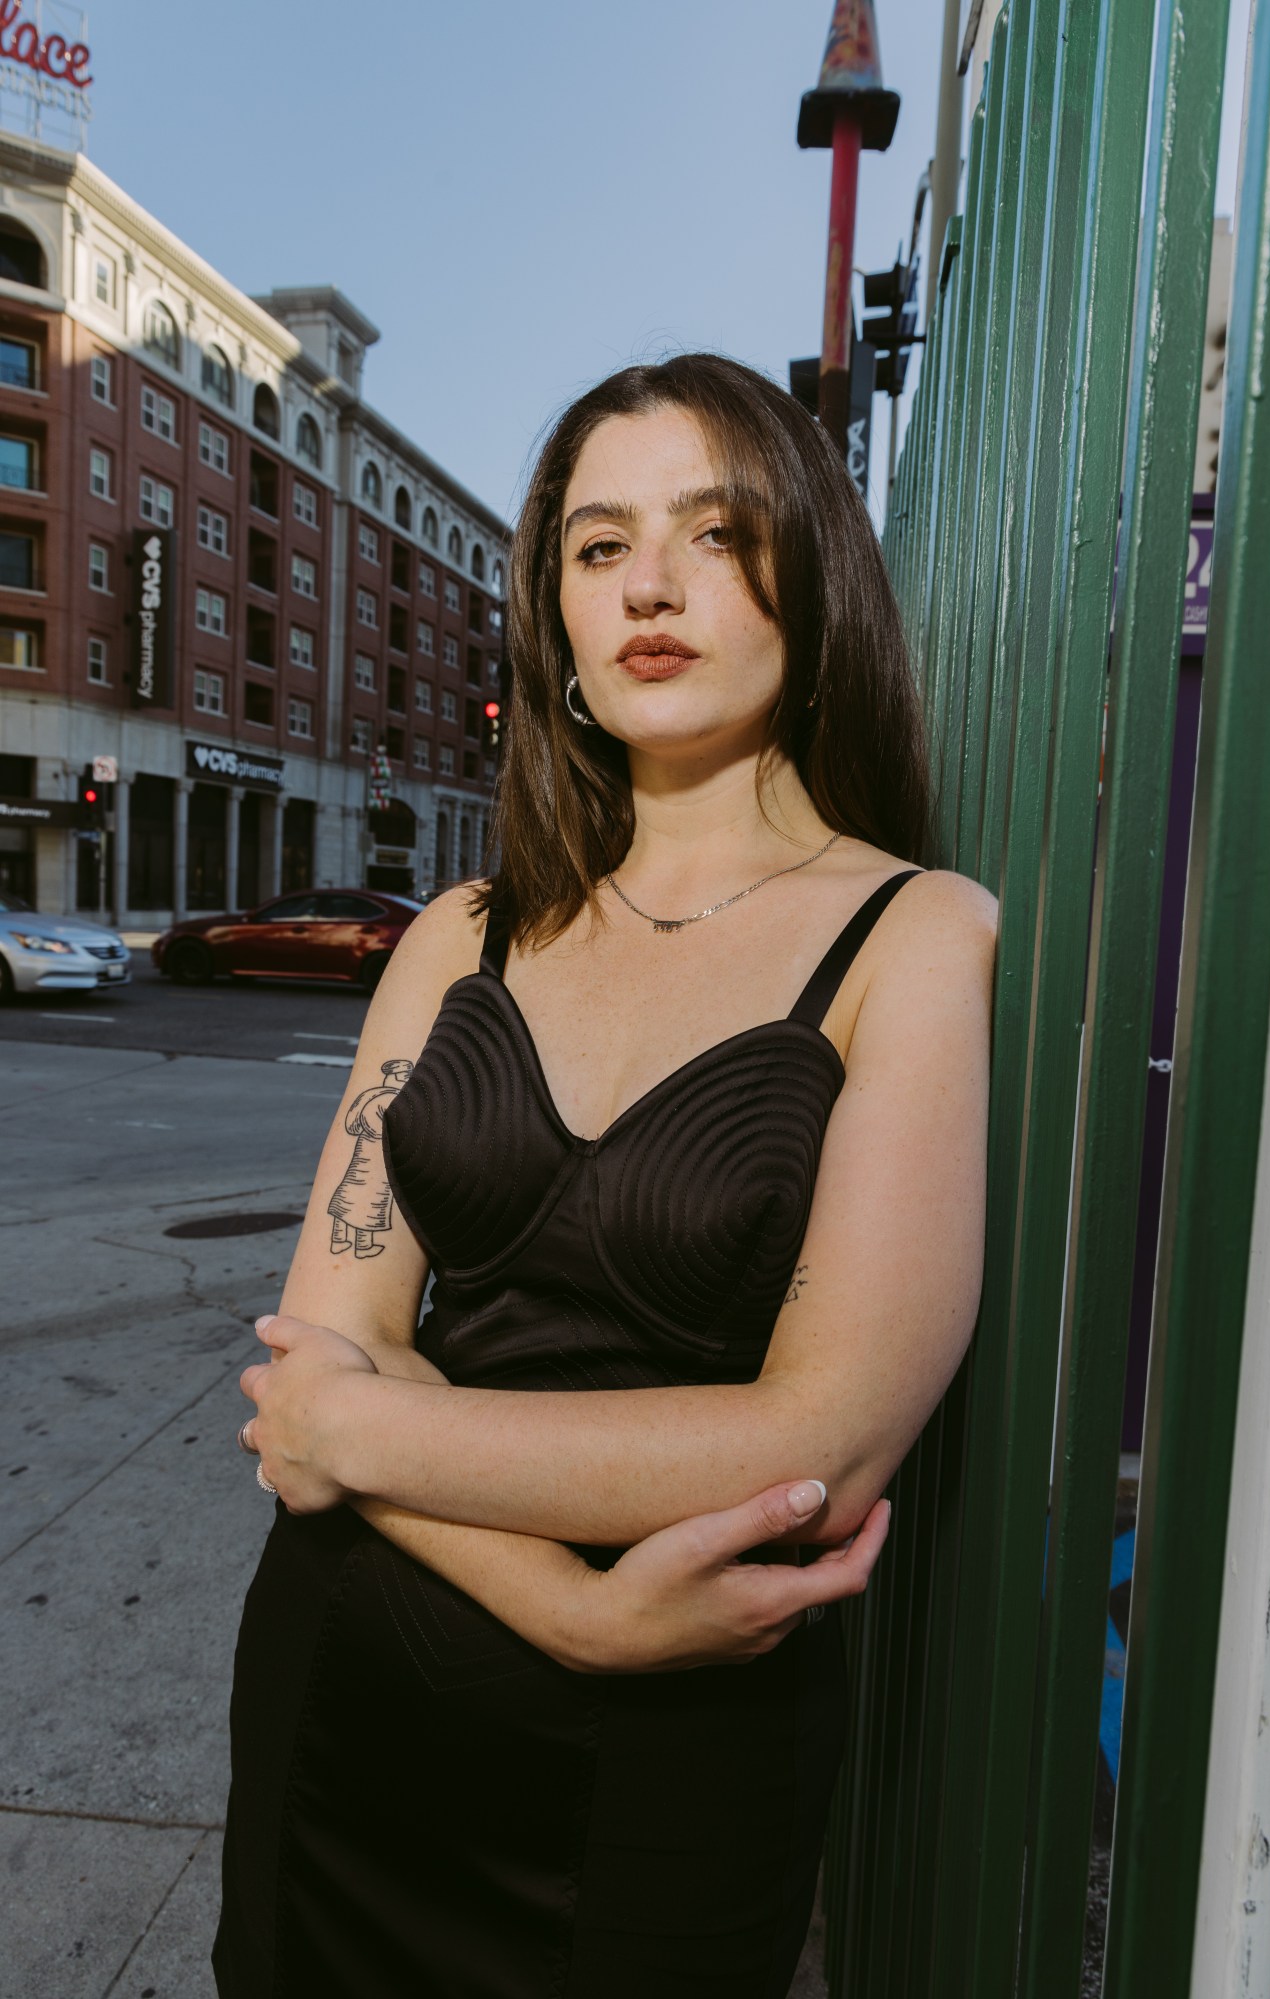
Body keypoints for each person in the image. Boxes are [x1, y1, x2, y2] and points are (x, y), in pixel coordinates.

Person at [214, 353, 995, 1999]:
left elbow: (818, 1448)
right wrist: (573, 1611)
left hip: (674, 1766)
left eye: (713, 533)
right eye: (596, 544)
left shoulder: (913, 933)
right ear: (554, 617)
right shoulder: (457, 935)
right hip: (347, 1701)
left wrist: (359, 1432)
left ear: (813, 573)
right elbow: (322, 1351)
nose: (648, 583)